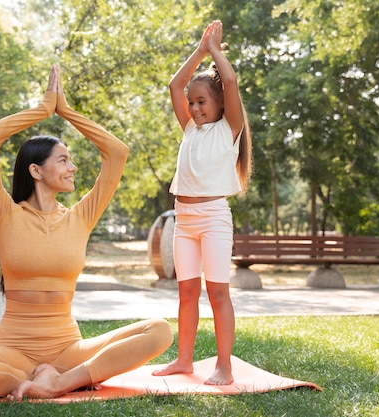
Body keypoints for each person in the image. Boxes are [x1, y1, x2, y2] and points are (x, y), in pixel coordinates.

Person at [0, 64, 173, 400]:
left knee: (159, 330)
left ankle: (58, 382)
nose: (72, 167)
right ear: (36, 170)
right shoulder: (5, 214)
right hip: (13, 352)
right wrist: (42, 110)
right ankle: (25, 384)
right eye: (62, 160)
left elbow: (116, 152)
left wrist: (68, 111)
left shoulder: (81, 216)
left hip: (67, 352)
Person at [152, 20, 252, 385]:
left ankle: (223, 365)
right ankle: (184, 360)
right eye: (191, 103)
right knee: (187, 292)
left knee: (217, 293)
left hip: (212, 218)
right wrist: (199, 50)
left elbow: (230, 82)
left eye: (201, 102)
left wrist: (215, 51)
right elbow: (174, 85)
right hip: (184, 218)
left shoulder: (229, 129)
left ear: (220, 105)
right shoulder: (190, 128)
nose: (193, 108)